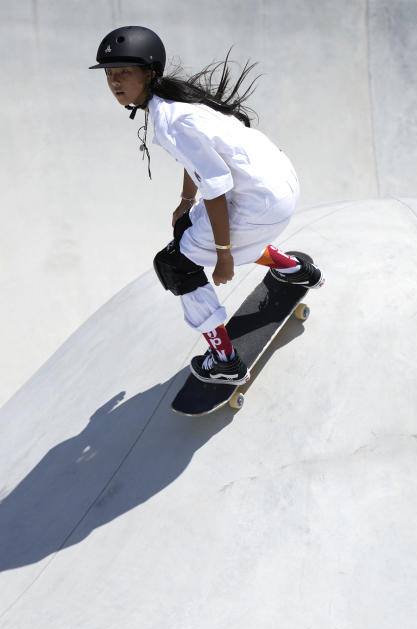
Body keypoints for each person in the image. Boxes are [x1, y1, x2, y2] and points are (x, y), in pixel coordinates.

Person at [90, 25, 323, 385]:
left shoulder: (171, 120)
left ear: (149, 73)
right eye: (110, 74)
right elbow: (202, 162)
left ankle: (224, 360)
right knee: (187, 230)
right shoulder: (182, 100)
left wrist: (225, 254)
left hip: (257, 204)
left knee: (174, 265)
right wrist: (186, 201)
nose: (115, 82)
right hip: (278, 182)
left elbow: (214, 188)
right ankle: (294, 269)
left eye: (125, 73)